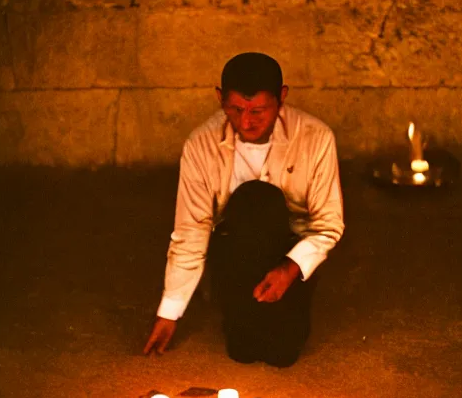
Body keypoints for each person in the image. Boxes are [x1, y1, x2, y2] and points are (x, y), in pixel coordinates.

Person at [144, 52, 344, 367]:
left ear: (282, 98)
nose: (246, 122)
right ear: (220, 98)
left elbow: (328, 224)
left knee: (283, 354)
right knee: (243, 351)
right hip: (234, 251)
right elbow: (191, 229)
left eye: (258, 111)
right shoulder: (201, 144)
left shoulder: (316, 138)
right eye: (235, 110)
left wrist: (289, 270)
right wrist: (169, 312)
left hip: (290, 252)